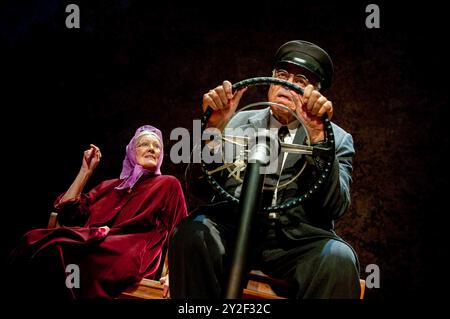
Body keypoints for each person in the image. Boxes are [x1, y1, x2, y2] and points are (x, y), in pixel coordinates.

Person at [168, 40, 360, 298]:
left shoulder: (336, 138)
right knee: (192, 233)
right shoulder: (236, 120)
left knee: (338, 258)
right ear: (270, 80)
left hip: (296, 241)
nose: (286, 83)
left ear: (316, 95)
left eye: (301, 81)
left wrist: (318, 139)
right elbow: (198, 187)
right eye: (281, 75)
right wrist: (213, 130)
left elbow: (335, 206)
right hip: (233, 229)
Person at [8, 125, 187, 299]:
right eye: (144, 144)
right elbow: (68, 215)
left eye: (157, 147)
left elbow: (181, 230)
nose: (152, 149)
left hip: (127, 254)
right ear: (132, 152)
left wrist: (175, 274)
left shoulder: (168, 184)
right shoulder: (110, 186)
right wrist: (85, 171)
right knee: (34, 241)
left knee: (64, 251)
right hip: (90, 244)